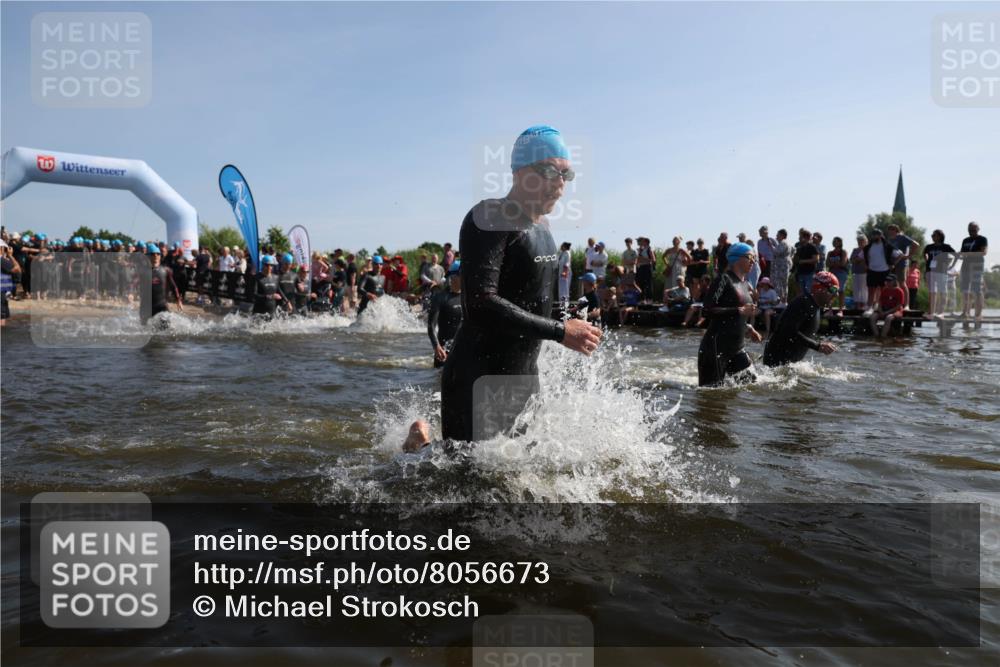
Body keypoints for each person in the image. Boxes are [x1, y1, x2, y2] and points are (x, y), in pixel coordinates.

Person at [405, 125, 602, 449]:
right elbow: (481, 303)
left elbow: (545, 305)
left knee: (515, 479)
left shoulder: (546, 231)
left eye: (567, 175)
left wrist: (577, 323)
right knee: (462, 485)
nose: (560, 185)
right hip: (477, 376)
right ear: (521, 172)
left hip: (524, 380)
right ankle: (417, 444)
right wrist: (560, 331)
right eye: (552, 171)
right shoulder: (490, 217)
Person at [697, 242, 763, 387]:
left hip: (736, 348)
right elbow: (707, 310)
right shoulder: (723, 280)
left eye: (754, 258)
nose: (753, 261)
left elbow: (734, 314)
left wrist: (748, 327)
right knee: (711, 397)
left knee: (753, 386)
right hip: (715, 349)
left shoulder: (745, 284)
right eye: (750, 257)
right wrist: (739, 310)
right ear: (736, 258)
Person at [762, 271, 839, 366]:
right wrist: (817, 346)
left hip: (787, 365)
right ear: (819, 288)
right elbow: (788, 331)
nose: (836, 295)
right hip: (775, 363)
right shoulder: (803, 303)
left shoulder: (815, 307)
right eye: (833, 290)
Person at [427, 262, 463, 368]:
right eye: (462, 274)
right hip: (443, 352)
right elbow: (431, 326)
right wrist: (436, 347)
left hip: (463, 350)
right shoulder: (440, 298)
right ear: (453, 276)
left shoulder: (467, 298)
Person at [142, 243, 183, 324]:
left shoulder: (166, 270)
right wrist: (130, 293)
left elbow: (173, 286)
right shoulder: (143, 271)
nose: (156, 256)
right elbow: (134, 282)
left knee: (166, 330)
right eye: (153, 254)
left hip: (162, 306)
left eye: (158, 254)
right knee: (145, 330)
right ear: (147, 256)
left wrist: (178, 300)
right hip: (147, 307)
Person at [922, 229, 956, 319]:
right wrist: (926, 259)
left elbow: (956, 255)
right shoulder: (929, 247)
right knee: (932, 292)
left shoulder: (946, 247)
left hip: (941, 271)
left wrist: (951, 265)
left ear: (940, 236)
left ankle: (941, 312)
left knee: (943, 291)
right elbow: (925, 253)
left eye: (934, 235)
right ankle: (932, 313)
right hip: (930, 271)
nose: (932, 237)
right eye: (932, 235)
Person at [863, 229, 900, 311]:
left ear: (881, 235)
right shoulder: (868, 247)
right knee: (871, 289)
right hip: (871, 270)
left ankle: (880, 307)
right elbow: (860, 257)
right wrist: (865, 265)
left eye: (876, 234)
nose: (874, 236)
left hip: (884, 271)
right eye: (873, 235)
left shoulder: (887, 246)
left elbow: (900, 255)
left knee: (884, 290)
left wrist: (893, 264)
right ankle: (869, 307)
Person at [958, 221, 988, 321]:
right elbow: (962, 253)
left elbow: (983, 252)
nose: (971, 232)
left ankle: (978, 314)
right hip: (965, 266)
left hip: (977, 266)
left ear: (978, 230)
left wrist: (969, 254)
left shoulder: (982, 239)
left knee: (977, 290)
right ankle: (965, 312)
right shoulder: (965, 240)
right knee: (965, 291)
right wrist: (961, 254)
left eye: (974, 230)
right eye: (970, 230)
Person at [886, 224, 919, 308]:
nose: (890, 231)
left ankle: (907, 305)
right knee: (893, 284)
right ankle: (897, 304)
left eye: (892, 229)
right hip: (892, 264)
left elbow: (916, 245)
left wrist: (908, 256)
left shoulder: (902, 237)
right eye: (889, 229)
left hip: (901, 264)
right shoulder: (889, 239)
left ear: (896, 230)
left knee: (902, 284)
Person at [869, 273, 906, 338]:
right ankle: (876, 335)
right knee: (872, 317)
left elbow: (898, 306)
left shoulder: (899, 291)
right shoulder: (885, 290)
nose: (887, 282)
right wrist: (880, 311)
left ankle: (883, 336)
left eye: (890, 281)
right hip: (884, 309)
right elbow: (880, 303)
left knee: (888, 318)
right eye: (887, 281)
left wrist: (886, 312)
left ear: (894, 281)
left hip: (896, 310)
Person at [826, 236, 849, 312]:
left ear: (840, 242)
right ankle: (829, 310)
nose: (834, 242)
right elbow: (827, 264)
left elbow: (843, 263)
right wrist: (836, 263)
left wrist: (833, 263)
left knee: (841, 290)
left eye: (836, 241)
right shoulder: (830, 253)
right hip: (832, 274)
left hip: (841, 273)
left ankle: (841, 310)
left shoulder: (843, 252)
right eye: (833, 241)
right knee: (831, 291)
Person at [793, 229, 819, 296]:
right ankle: (804, 306)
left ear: (805, 238)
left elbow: (816, 259)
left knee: (809, 291)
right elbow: (796, 259)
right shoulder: (800, 248)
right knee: (802, 292)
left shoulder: (812, 247)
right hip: (801, 272)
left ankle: (810, 305)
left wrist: (804, 261)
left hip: (809, 273)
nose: (799, 238)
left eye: (801, 237)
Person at [771, 229, 791, 303]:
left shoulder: (783, 243)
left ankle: (781, 301)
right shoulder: (784, 243)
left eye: (778, 234)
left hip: (782, 267)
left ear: (782, 235)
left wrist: (772, 247)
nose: (776, 236)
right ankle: (782, 301)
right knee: (783, 285)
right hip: (783, 266)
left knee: (781, 284)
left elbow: (778, 252)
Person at [849, 235, 869, 310]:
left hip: (865, 272)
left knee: (864, 289)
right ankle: (857, 304)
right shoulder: (855, 250)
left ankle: (864, 304)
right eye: (858, 241)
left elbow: (866, 260)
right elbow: (852, 260)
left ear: (865, 241)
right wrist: (859, 260)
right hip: (856, 272)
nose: (860, 242)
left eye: (861, 240)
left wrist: (858, 259)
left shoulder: (867, 249)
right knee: (856, 289)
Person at [636, 237, 655, 302]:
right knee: (641, 283)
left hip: (647, 267)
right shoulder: (641, 249)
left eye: (640, 241)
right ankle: (642, 299)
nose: (638, 242)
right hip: (640, 267)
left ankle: (649, 299)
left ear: (644, 241)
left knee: (648, 284)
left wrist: (642, 258)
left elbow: (653, 260)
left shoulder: (649, 249)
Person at [557, 241, 572, 307]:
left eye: (562, 245)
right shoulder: (562, 253)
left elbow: (567, 263)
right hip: (561, 274)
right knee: (561, 290)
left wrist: (565, 272)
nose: (561, 246)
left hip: (565, 273)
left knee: (565, 290)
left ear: (564, 247)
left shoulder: (567, 253)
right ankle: (561, 304)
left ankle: (565, 305)